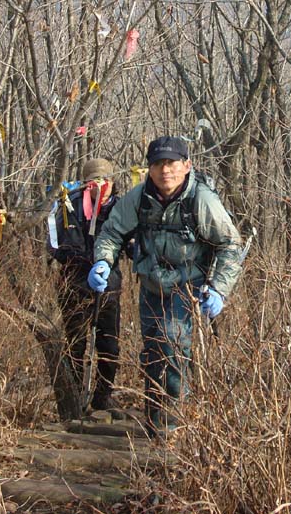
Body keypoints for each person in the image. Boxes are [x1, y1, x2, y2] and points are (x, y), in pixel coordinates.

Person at [88, 136, 243, 436]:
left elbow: (231, 245)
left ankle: (171, 429)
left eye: (171, 163)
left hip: (187, 287)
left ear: (187, 165)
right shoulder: (139, 197)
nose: (164, 171)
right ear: (149, 168)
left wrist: (220, 289)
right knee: (153, 353)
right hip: (150, 287)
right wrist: (103, 261)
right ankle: (155, 419)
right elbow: (111, 232)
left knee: (171, 345)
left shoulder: (202, 200)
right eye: (157, 164)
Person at [48, 158, 126, 412]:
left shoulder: (121, 209)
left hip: (109, 286)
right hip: (74, 284)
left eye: (106, 182)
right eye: (94, 182)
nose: (100, 187)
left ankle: (102, 399)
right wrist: (83, 259)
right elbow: (56, 245)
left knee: (109, 345)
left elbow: (128, 243)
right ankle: (73, 402)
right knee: (76, 345)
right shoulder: (67, 207)